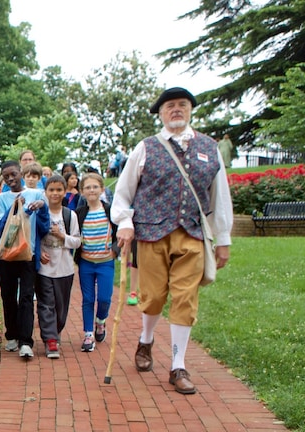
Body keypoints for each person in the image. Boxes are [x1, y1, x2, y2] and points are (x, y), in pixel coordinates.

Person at [111, 87, 233, 395]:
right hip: (151, 234)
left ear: (190, 110)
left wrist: (224, 237)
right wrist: (125, 222)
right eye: (170, 107)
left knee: (185, 298)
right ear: (161, 114)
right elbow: (123, 193)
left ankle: (178, 365)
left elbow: (220, 198)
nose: (176, 110)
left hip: (192, 234)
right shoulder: (146, 147)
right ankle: (146, 339)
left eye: (182, 105)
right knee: (152, 297)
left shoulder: (210, 148)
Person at [0, 160, 51, 360]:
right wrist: (16, 207)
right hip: (7, 255)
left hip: (28, 254)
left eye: (14, 174)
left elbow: (44, 227)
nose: (10, 178)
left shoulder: (36, 194)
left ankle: (26, 341)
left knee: (26, 297)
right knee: (8, 296)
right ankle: (12, 335)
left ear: (21, 173)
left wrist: (42, 208)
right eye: (6, 176)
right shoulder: (1, 199)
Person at [36, 174, 81, 359]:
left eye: (59, 190)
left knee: (61, 308)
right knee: (46, 304)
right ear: (45, 192)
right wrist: (39, 253)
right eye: (51, 190)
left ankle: (56, 331)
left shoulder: (70, 215)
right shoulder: (40, 213)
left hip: (64, 269)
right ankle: (50, 340)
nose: (55, 193)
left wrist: (63, 236)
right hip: (44, 269)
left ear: (64, 192)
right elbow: (33, 237)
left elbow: (77, 241)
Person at [75, 173, 118, 352]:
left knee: (104, 298)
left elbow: (120, 231)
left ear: (101, 189)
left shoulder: (110, 210)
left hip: (106, 262)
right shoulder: (79, 213)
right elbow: (74, 235)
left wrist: (115, 249)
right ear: (82, 191)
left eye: (95, 187)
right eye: (87, 187)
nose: (91, 190)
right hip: (86, 262)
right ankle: (88, 334)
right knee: (88, 299)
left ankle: (100, 321)